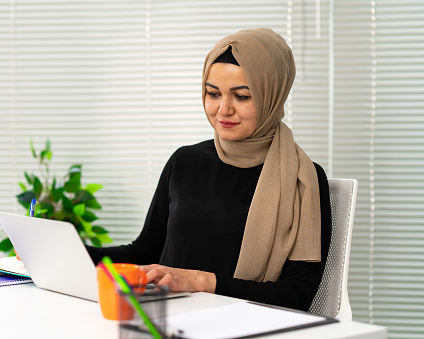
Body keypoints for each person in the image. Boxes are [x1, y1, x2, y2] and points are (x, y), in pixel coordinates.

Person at [86, 28, 331, 312]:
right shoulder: (185, 160)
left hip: (236, 324)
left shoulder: (302, 179)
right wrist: (71, 253)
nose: (223, 110)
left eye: (241, 97)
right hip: (164, 318)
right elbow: (145, 253)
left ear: (271, 97)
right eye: (213, 93)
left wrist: (202, 281)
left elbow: (298, 295)